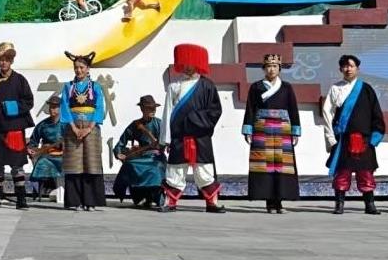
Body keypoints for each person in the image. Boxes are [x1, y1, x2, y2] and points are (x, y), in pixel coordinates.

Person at [159, 43, 226, 213]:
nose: (188, 67)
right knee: (175, 169)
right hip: (179, 136)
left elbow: (215, 111)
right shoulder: (174, 86)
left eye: (192, 63)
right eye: (185, 63)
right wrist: (165, 139)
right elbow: (168, 113)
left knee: (204, 169)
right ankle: (170, 203)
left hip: (200, 136)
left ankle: (212, 203)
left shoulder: (207, 86)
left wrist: (194, 120)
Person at [322, 54, 385, 215]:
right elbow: (327, 113)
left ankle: (370, 205)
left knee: (366, 172)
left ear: (357, 68)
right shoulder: (335, 88)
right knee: (342, 172)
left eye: (351, 65)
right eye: (345, 66)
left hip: (363, 139)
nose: (348, 69)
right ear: (340, 69)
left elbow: (376, 113)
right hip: (343, 139)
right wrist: (331, 137)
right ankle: (339, 204)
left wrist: (375, 138)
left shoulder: (366, 89)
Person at [0, 42, 35, 210]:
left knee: (17, 166)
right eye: (0, 60)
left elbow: (28, 101)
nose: (3, 63)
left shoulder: (20, 80)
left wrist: (11, 108)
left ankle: (21, 198)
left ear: (11, 61)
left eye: (6, 60)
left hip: (14, 129)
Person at [242, 54, 301, 213]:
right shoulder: (256, 87)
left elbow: (293, 109)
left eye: (275, 66)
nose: (271, 69)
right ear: (263, 68)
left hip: (282, 129)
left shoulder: (287, 87)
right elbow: (250, 109)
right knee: (264, 166)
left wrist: (295, 130)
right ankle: (269, 202)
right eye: (268, 66)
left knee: (281, 166)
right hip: (262, 128)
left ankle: (279, 201)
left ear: (279, 68)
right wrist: (248, 129)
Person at [59, 51, 107, 210]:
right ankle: (75, 201)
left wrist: (88, 128)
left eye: (81, 67)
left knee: (90, 164)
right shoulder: (68, 87)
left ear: (88, 69)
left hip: (91, 128)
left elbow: (99, 108)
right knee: (75, 165)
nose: (78, 70)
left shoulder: (95, 87)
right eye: (76, 67)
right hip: (72, 129)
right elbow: (65, 108)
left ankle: (90, 202)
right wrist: (73, 128)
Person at [112, 95, 165, 209]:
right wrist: (118, 153)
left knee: (155, 168)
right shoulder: (135, 125)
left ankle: (156, 197)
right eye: (149, 108)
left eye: (154, 108)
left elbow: (167, 141)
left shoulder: (160, 123)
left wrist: (162, 145)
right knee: (130, 164)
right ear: (142, 109)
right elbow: (121, 142)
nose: (153, 111)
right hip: (141, 155)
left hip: (156, 156)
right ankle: (139, 197)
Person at [27, 95, 64, 203]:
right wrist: (31, 149)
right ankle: (44, 189)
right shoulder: (43, 125)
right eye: (51, 107)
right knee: (42, 162)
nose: (53, 109)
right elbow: (33, 142)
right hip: (47, 154)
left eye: (56, 107)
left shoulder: (66, 124)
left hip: (63, 155)